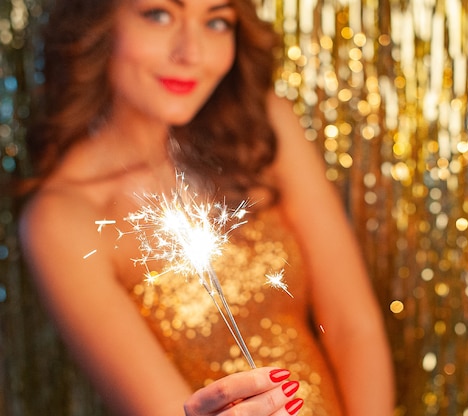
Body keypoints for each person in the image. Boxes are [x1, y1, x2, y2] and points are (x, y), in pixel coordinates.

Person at [18, 0, 395, 415]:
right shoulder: (62, 220)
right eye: (159, 15)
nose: (191, 53)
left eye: (215, 21)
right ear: (96, 20)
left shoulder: (260, 129)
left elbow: (351, 325)